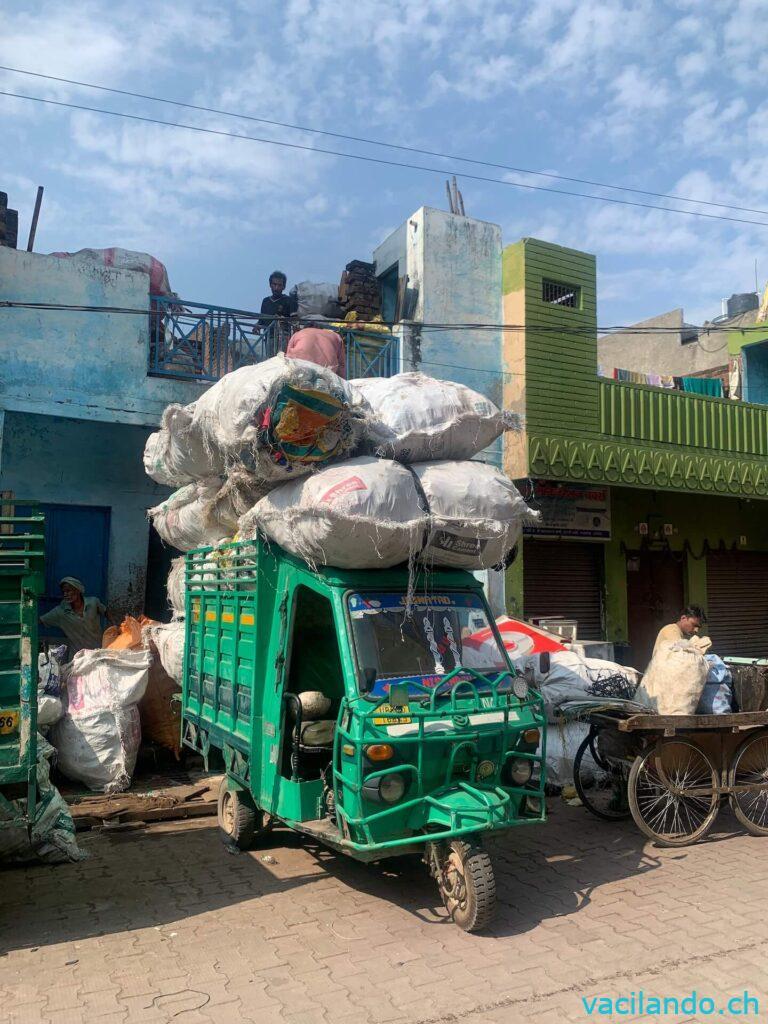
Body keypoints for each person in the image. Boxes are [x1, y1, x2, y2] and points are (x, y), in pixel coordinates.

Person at [40, 577, 106, 655]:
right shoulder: (60, 612)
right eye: (63, 592)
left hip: (98, 652)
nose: (65, 594)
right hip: (78, 657)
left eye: (68, 591)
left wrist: (116, 630)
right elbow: (40, 620)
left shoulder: (93, 603)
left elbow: (107, 613)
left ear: (78, 590)